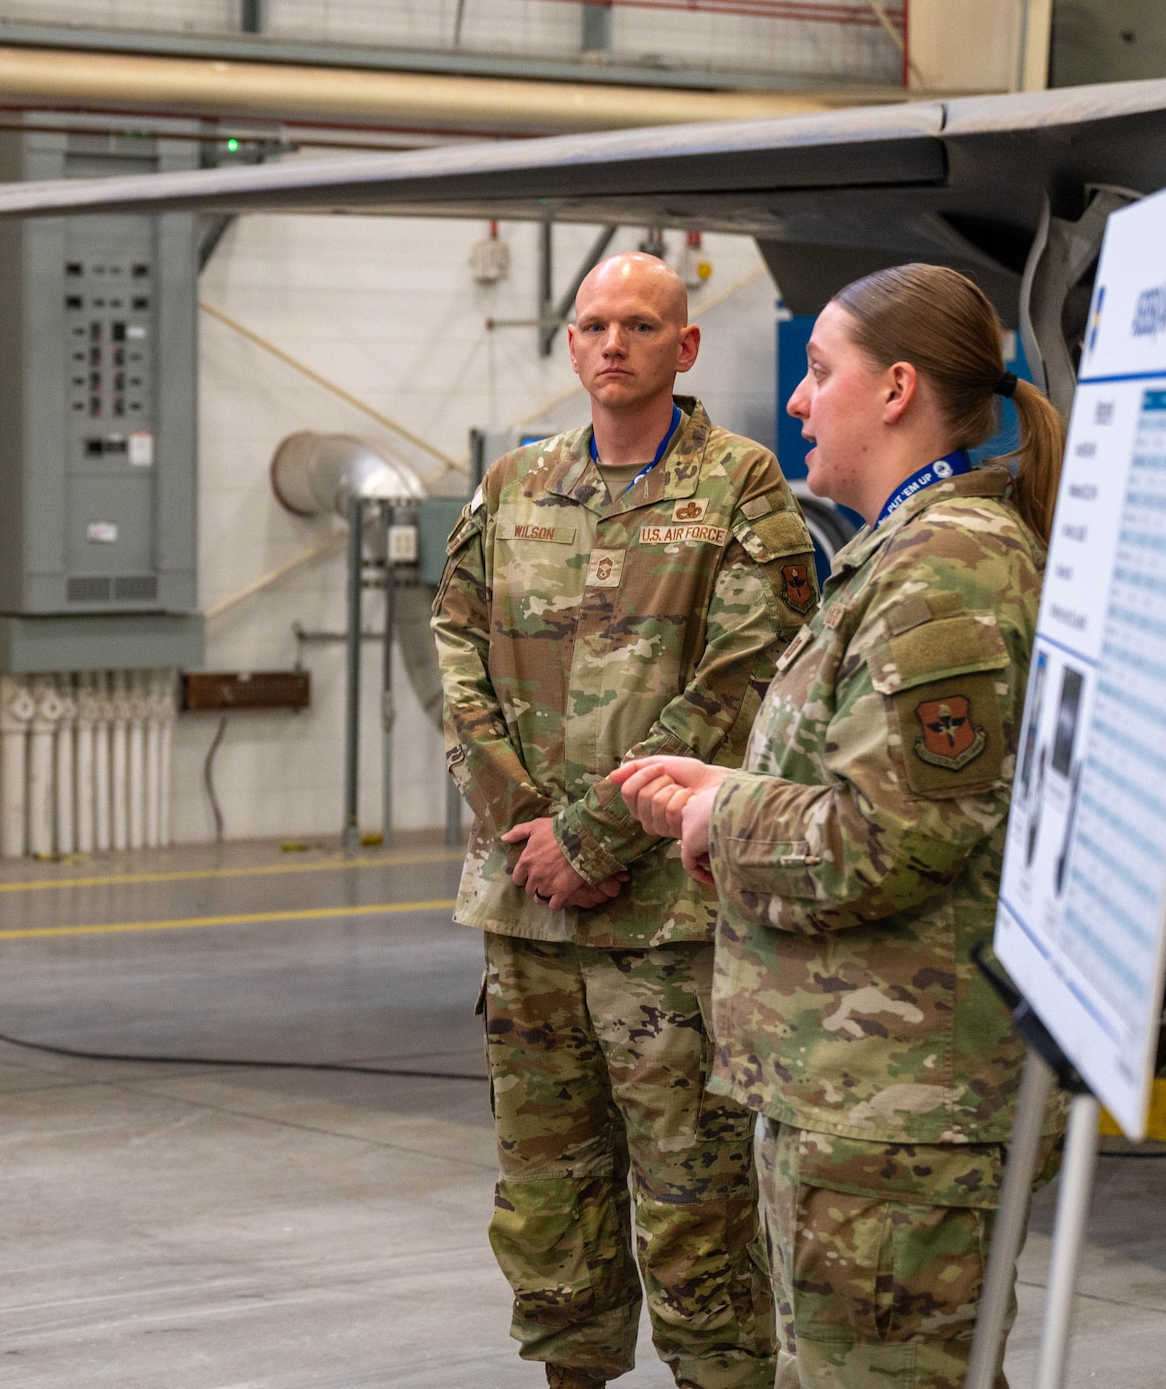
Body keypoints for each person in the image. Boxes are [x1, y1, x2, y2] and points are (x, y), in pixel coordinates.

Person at [616, 262, 1065, 1389]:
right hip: (861, 1104)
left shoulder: (946, 571)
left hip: (896, 1117)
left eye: (821, 372)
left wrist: (721, 810)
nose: (796, 402)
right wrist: (728, 784)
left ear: (898, 388)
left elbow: (886, 836)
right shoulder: (907, 556)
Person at [433, 251, 820, 1389]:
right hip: (526, 914)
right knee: (548, 1202)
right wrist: (525, 827)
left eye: (641, 325)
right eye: (594, 323)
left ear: (683, 347)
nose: (614, 343)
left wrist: (592, 838)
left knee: (695, 1206)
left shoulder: (741, 486)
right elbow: (457, 653)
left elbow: (748, 675)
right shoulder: (513, 487)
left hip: (666, 922)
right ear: (568, 343)